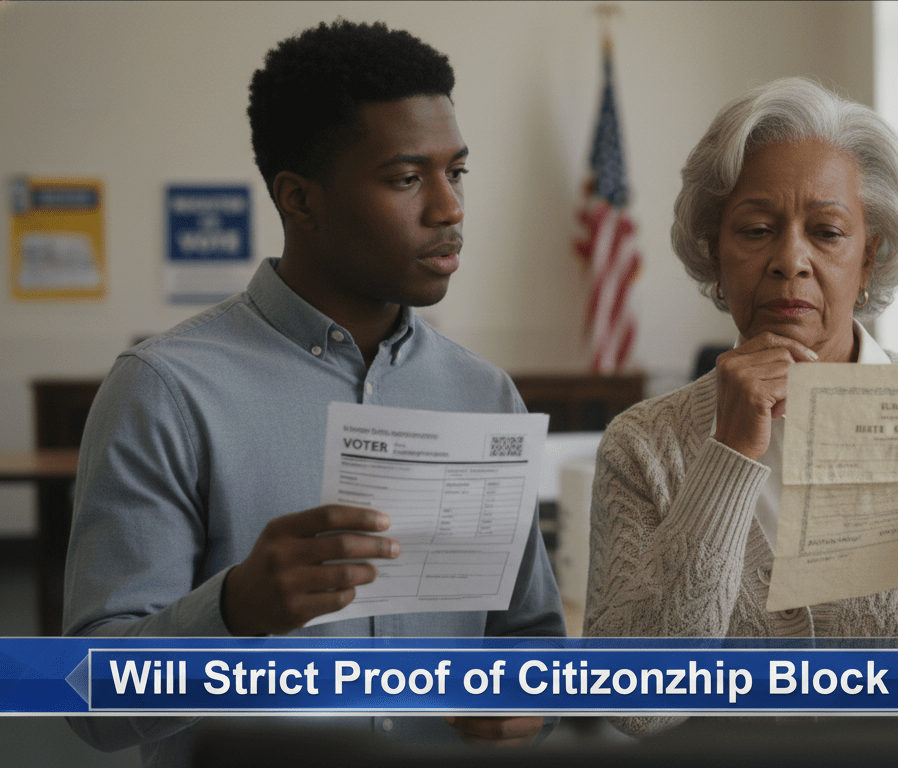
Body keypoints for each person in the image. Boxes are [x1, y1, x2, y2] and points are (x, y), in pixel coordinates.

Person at [63, 20, 564, 764]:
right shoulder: (164, 392)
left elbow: (530, 641)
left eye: (455, 172)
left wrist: (528, 698)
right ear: (299, 199)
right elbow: (91, 699)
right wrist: (232, 613)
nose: (449, 208)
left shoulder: (483, 394)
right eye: (405, 178)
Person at [583, 78, 898, 735]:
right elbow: (635, 707)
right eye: (756, 229)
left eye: (827, 231)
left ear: (869, 258)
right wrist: (727, 457)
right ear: (715, 252)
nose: (789, 261)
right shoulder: (643, 444)